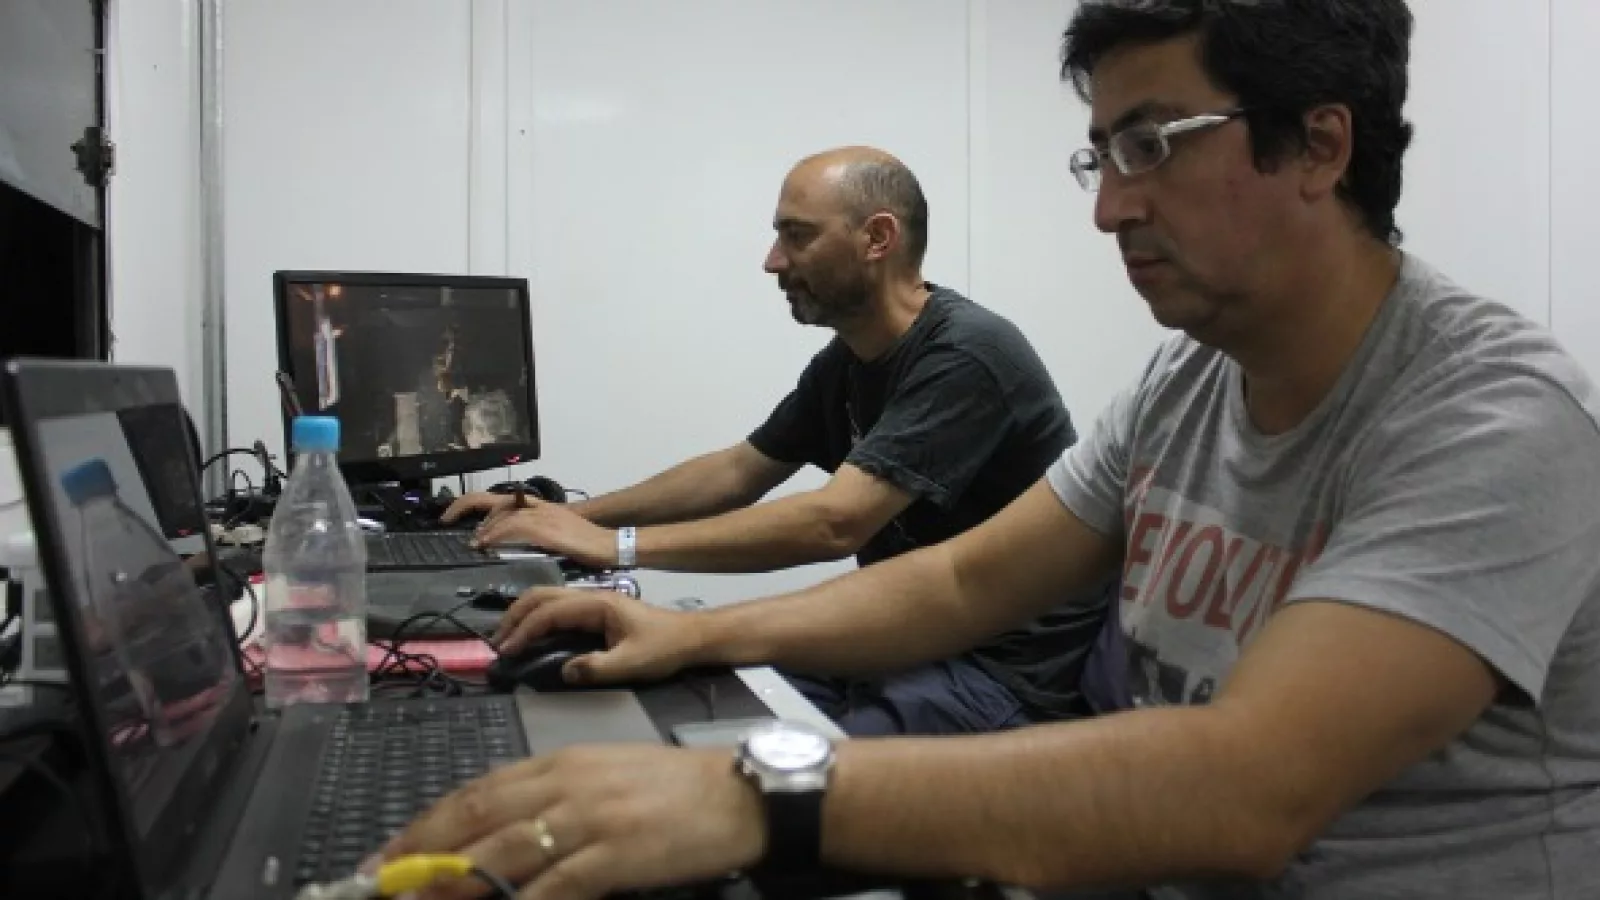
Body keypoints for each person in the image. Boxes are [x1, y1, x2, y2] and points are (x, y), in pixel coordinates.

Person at [379, 1, 1600, 896]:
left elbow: (1247, 788)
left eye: (1151, 144)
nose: (1109, 207)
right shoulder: (1186, 380)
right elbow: (964, 579)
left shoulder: (1490, 417)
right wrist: (689, 634)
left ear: (1319, 146)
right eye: (1100, 155)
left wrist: (750, 791)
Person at [446, 146, 1112, 735]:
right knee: (675, 698)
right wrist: (569, 519)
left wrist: (616, 546)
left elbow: (835, 522)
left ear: (878, 238)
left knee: (750, 774)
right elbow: (739, 471)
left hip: (1002, 675)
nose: (773, 261)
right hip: (907, 644)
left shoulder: (968, 356)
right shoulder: (850, 360)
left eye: (797, 236)